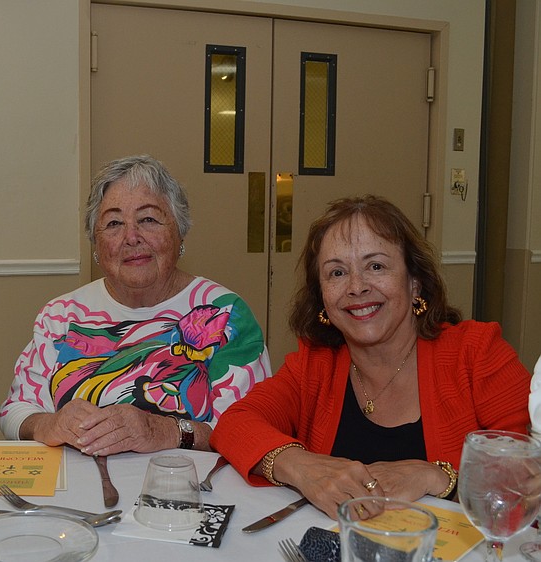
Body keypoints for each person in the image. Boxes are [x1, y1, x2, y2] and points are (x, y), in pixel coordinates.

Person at [211, 195, 531, 519]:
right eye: (336, 273)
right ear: (322, 298)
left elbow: (528, 477)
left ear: (415, 283)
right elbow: (234, 424)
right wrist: (300, 466)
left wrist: (440, 478)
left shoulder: (476, 353)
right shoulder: (314, 364)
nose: (356, 287)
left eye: (375, 266)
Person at [0, 155, 271, 455]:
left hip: (186, 489)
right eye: (114, 223)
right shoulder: (62, 315)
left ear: (179, 232)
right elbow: (15, 410)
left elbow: (250, 428)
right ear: (96, 246)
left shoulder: (223, 314)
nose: (131, 237)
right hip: (78, 488)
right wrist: (47, 425)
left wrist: (165, 431)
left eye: (148, 220)